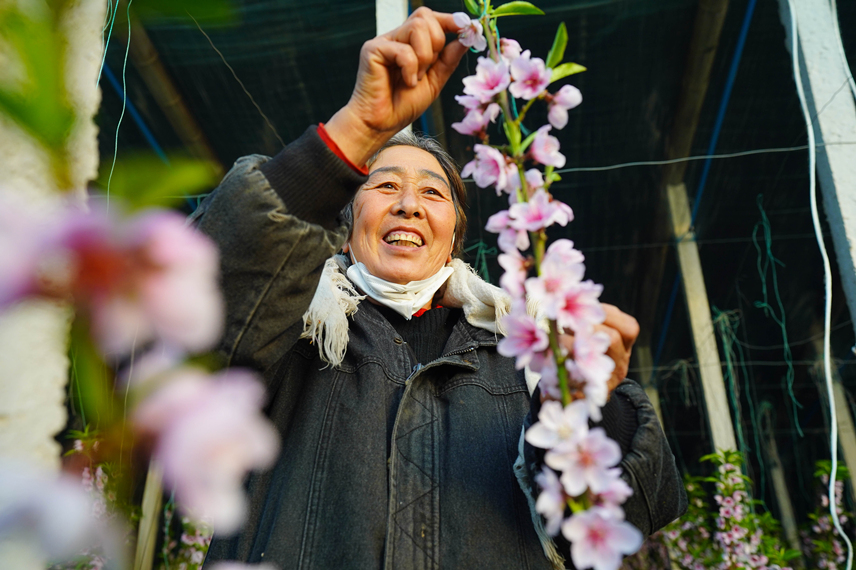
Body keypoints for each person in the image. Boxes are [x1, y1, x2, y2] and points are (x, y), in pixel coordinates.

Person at [194, 8, 685, 569]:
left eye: (433, 193)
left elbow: (625, 515)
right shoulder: (291, 336)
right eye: (384, 186)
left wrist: (580, 406)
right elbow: (199, 325)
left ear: (453, 236)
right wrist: (354, 131)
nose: (408, 204)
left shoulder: (521, 353)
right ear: (347, 228)